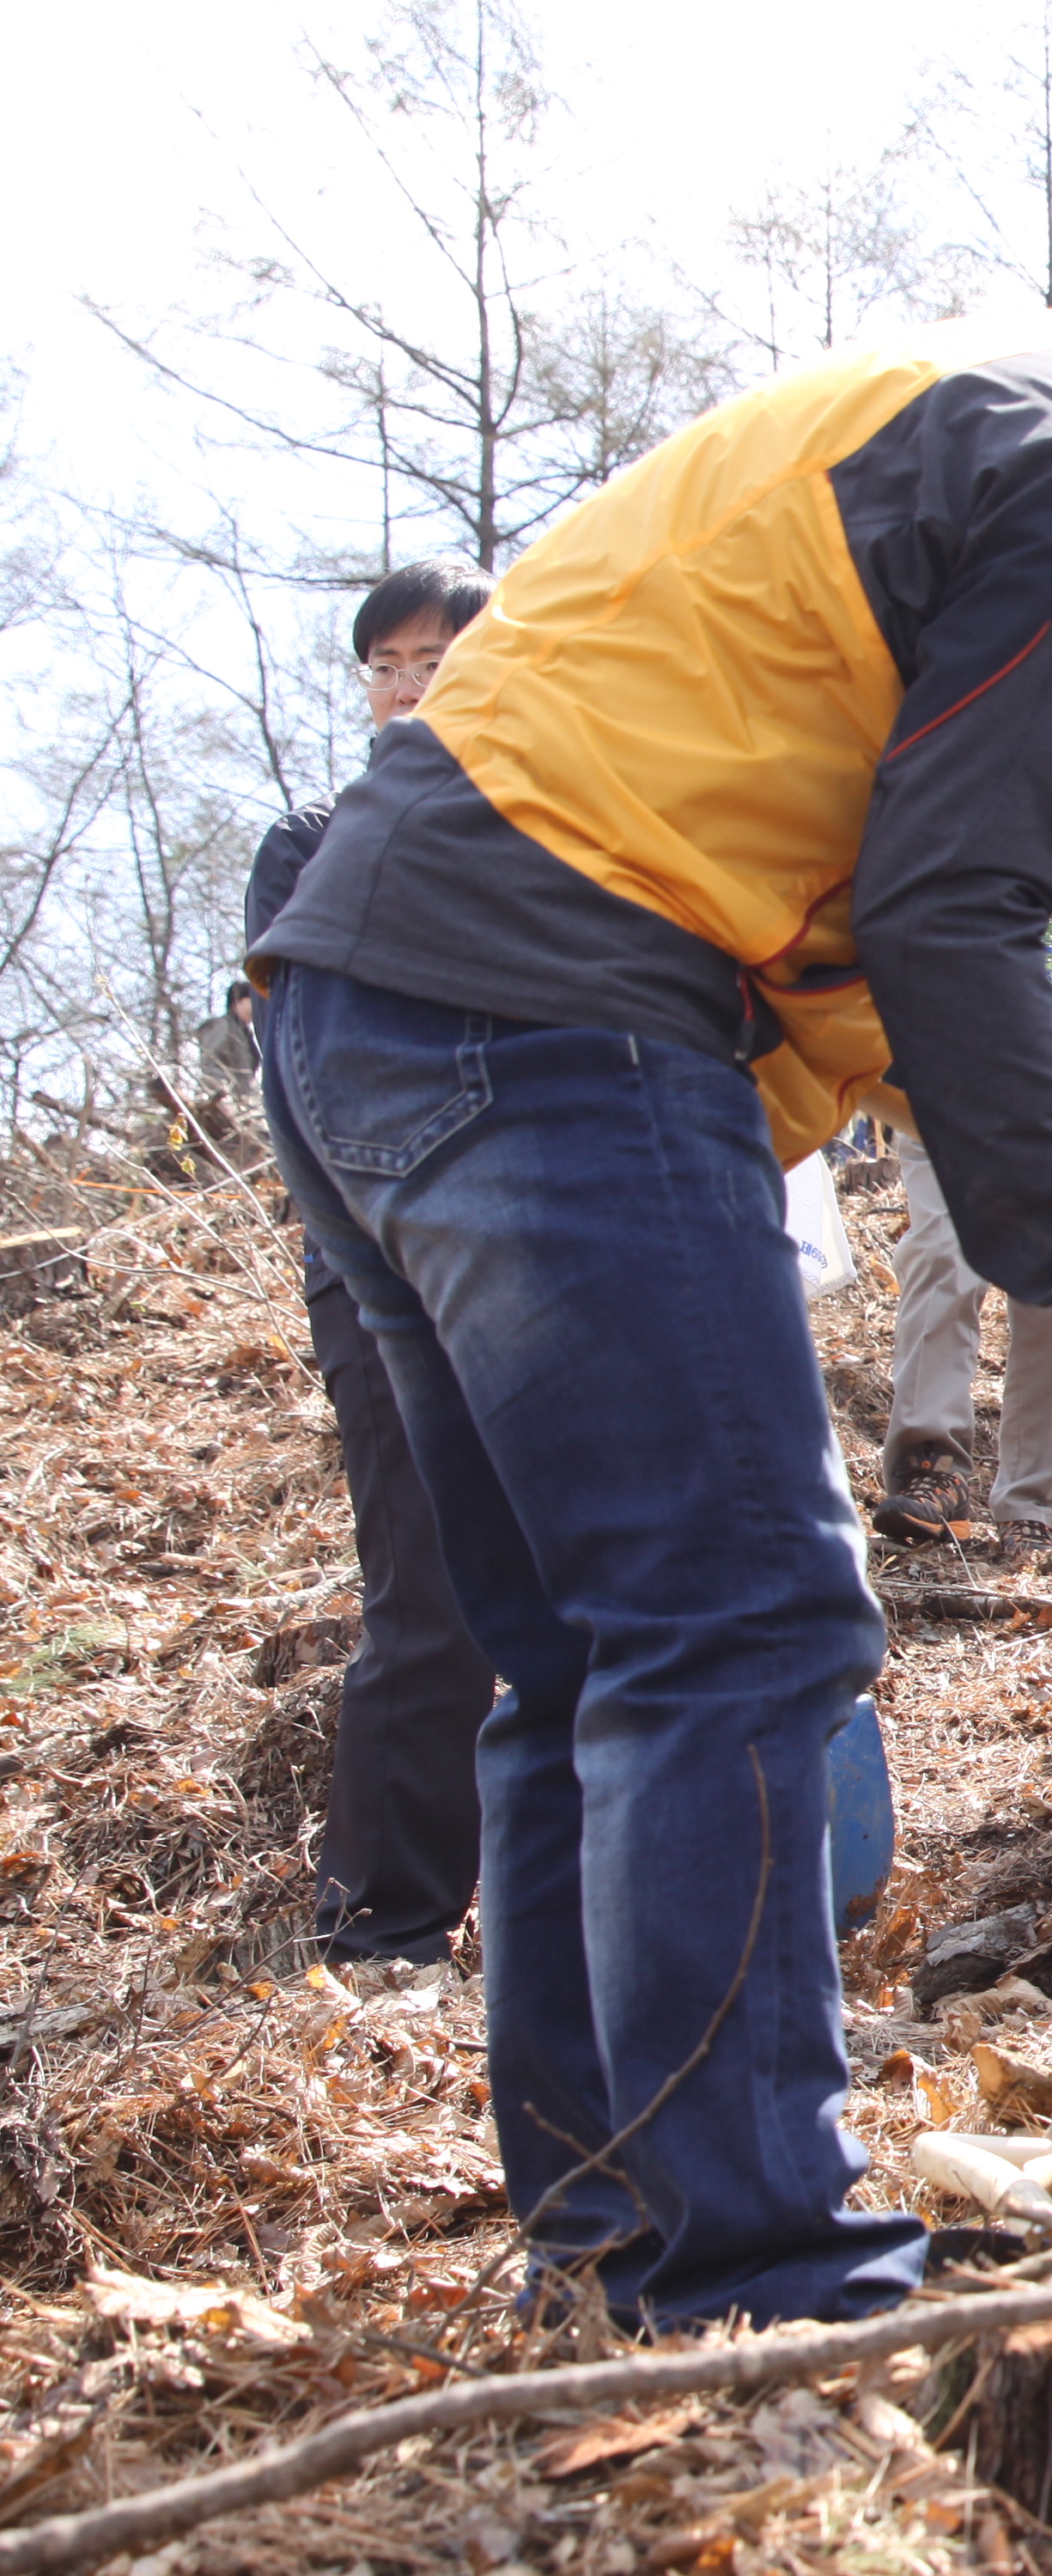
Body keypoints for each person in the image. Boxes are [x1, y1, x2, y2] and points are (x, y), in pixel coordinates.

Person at [247, 114, 1052, 2330]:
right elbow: (953, 912)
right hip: (560, 990)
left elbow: (897, 878)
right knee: (741, 1631)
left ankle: (617, 2223)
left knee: (585, 1654)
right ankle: (764, 2262)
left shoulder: (1014, 403)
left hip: (382, 993)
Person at [244, 557, 503, 1967]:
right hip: (380, 1260)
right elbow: (298, 1049)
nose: (406, 687)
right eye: (385, 664)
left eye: (433, 658)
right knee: (430, 1582)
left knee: (586, 1578)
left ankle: (554, 1903)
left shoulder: (555, 826)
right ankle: (383, 1923)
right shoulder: (312, 839)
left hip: (544, 1259)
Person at [875, 798, 1052, 1554]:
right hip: (931, 1073)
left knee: (1049, 1292)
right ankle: (933, 1472)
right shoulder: (929, 771)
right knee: (940, 1258)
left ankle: (1034, 1500)